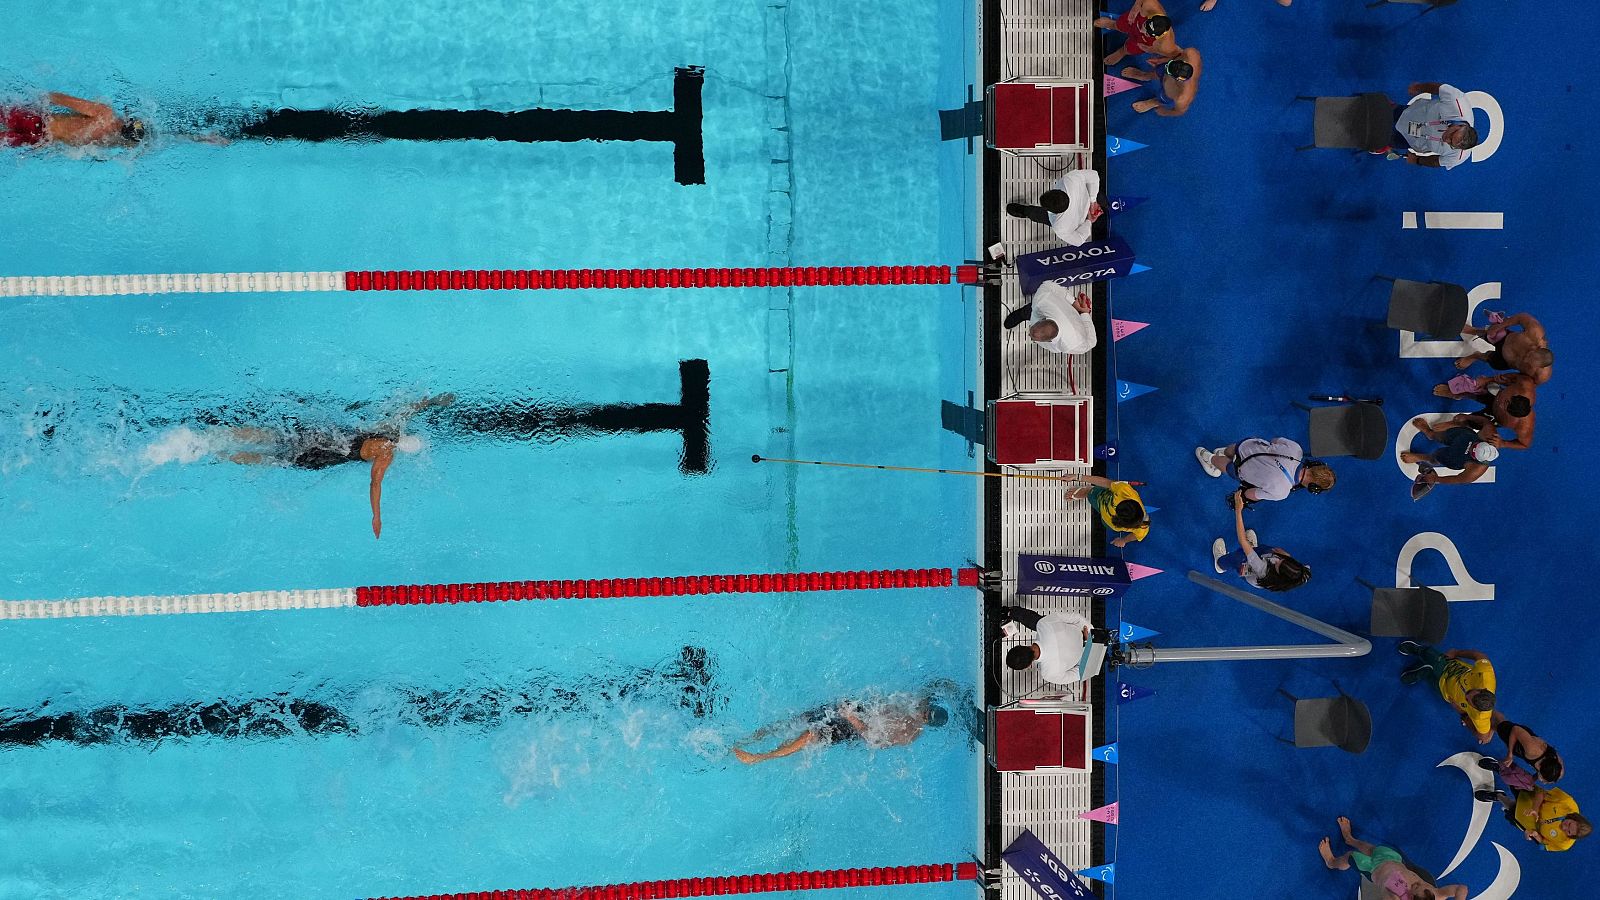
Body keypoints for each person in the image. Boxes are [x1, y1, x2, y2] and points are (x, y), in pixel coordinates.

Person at [223, 393, 455, 538]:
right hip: (326, 456)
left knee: (276, 437)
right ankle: (225, 456)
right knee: (275, 459)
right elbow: (375, 483)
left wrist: (434, 401)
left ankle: (218, 436)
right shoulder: (386, 453)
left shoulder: (390, 428)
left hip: (326, 437)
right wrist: (376, 516)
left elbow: (410, 408)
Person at [731, 695, 948, 764]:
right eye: (927, 710)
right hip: (857, 710)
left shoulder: (908, 734)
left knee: (810, 735)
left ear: (927, 723)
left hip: (853, 728)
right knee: (797, 721)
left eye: (926, 717)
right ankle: (751, 737)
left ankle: (759, 757)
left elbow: (873, 739)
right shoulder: (919, 703)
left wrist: (851, 717)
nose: (922, 713)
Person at [1319, 816, 1468, 900]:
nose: (1417, 883)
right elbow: (1461, 889)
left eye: (1414, 888)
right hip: (1392, 859)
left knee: (1350, 857)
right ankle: (1350, 839)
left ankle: (1331, 862)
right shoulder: (1436, 894)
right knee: (1372, 848)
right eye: (1422, 884)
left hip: (1372, 868)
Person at [1210, 492, 1312, 591]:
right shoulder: (1299, 572)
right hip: (1264, 558)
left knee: (1237, 558)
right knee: (1263, 549)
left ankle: (1220, 564)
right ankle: (1252, 550)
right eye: (1283, 559)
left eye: (1278, 564)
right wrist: (1287, 556)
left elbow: (1242, 541)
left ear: (1279, 574)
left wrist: (1238, 510)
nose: (1278, 559)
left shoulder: (1262, 569)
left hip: (1252, 568)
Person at [1398, 642, 1496, 744]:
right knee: (1430, 656)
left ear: (1475, 708)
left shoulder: (1480, 717)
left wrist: (1465, 717)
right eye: (1470, 692)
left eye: (1467, 700)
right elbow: (1479, 656)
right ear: (1482, 689)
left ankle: (1423, 672)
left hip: (1444, 689)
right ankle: (1418, 649)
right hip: (1452, 667)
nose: (1466, 694)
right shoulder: (1485, 675)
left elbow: (1484, 737)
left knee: (1427, 672)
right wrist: (1456, 652)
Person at [1195, 437, 1336, 505]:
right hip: (1241, 469)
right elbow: (1250, 494)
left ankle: (1222, 452)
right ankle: (1209, 458)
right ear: (1313, 487)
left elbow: (1275, 440)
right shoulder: (1281, 492)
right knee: (1229, 468)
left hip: (1247, 445)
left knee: (1236, 448)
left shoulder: (1296, 449)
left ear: (1316, 464)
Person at [1378, 83, 1479, 170]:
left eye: (1451, 144)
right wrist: (1418, 87)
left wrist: (1417, 160)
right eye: (1452, 135)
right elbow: (1439, 88)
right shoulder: (1458, 102)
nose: (1446, 140)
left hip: (1412, 140)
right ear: (1460, 125)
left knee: (1381, 139)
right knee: (1384, 111)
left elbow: (1436, 161)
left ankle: (1382, 144)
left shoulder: (1459, 156)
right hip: (1413, 113)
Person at [1001, 606, 1113, 685]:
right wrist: (1090, 634)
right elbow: (1077, 618)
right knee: (1038, 622)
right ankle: (1010, 611)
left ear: (1028, 665)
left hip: (1094, 653)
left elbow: (1082, 672)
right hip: (1091, 635)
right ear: (1021, 645)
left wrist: (1091, 646)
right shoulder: (1044, 624)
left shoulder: (1049, 674)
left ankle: (1011, 612)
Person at [2, 92, 146, 149]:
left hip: (37, 122)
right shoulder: (108, 142)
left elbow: (66, 101)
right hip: (41, 140)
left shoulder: (105, 114)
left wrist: (42, 97)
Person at [1433, 373, 1536, 450]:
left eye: (1505, 408)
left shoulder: (1524, 427)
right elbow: (1518, 376)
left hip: (1495, 417)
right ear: (1517, 395)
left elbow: (1524, 444)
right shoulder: (1525, 385)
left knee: (1484, 432)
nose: (1501, 404)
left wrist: (1502, 443)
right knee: (1478, 384)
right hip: (1495, 393)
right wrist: (1490, 379)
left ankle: (1459, 424)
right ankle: (1461, 394)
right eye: (1506, 401)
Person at [1474, 786, 1591, 853]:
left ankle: (1498, 796)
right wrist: (1534, 808)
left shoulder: (1564, 844)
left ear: (1572, 837)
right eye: (1569, 824)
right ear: (1574, 817)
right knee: (1513, 779)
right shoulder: (1567, 803)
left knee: (1511, 809)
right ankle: (1498, 767)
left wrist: (1535, 835)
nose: (1564, 828)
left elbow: (1544, 844)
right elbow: (1542, 793)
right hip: (1531, 798)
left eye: (1568, 832)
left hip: (1526, 821)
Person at [1005, 168, 1102, 246]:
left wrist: (1089, 221)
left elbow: (1079, 240)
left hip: (1082, 218)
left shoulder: (1059, 226)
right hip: (1089, 202)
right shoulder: (1070, 180)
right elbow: (1093, 176)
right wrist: (1093, 201)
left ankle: (1024, 211)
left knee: (1036, 214)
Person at [1456, 312, 1553, 385]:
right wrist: (1499, 326)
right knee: (1491, 334)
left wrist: (1490, 380)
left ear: (1539, 367)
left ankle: (1476, 356)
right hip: (1506, 339)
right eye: (1529, 354)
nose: (1525, 358)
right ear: (1537, 348)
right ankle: (1474, 331)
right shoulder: (1535, 333)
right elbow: (1521, 317)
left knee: (1489, 359)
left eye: (1528, 362)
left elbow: (1523, 382)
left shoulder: (1540, 376)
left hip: (1505, 361)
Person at [1003, 282, 1097, 355]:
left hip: (1075, 319)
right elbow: (1048, 285)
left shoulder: (1071, 343)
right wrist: (1073, 302)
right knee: (1030, 310)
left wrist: (1084, 314)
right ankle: (1022, 314)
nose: (1028, 334)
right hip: (1062, 308)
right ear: (1044, 319)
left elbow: (1091, 342)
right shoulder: (1043, 301)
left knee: (1033, 310)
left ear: (1049, 341)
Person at [1402, 416, 1499, 487]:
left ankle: (1421, 457)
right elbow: (1485, 421)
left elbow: (1457, 479)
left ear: (1478, 459)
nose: (1469, 449)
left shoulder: (1475, 471)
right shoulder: (1490, 434)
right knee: (1441, 435)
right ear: (1485, 443)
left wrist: (1436, 479)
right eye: (1474, 446)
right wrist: (1467, 417)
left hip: (1458, 458)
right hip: (1464, 437)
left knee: (1436, 457)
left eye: (1471, 452)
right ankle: (1430, 433)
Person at [1064, 475, 1148, 548]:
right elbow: (1106, 482)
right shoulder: (1125, 491)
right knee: (1090, 494)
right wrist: (1077, 477)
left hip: (1108, 522)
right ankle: (1088, 491)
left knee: (1104, 522)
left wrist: (1124, 540)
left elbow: (1137, 535)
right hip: (1102, 498)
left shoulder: (1143, 527)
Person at [1480, 713, 1564, 784]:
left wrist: (1532, 779)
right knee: (1499, 725)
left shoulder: (1557, 770)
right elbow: (1515, 730)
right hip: (1516, 736)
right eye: (1544, 780)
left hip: (1524, 742)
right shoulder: (1533, 750)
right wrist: (1510, 754)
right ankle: (1484, 711)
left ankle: (1492, 723)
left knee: (1500, 725)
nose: (1544, 783)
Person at [1095, 2, 1179, 67]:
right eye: (1145, 26)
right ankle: (1112, 24)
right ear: (1150, 18)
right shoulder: (1150, 5)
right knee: (1120, 24)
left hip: (1146, 42)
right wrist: (1135, 8)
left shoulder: (1166, 45)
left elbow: (1176, 54)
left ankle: (1122, 52)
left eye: (1147, 33)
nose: (1142, 31)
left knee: (1132, 48)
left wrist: (1159, 60)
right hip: (1137, 20)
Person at [1120, 50, 1201, 116]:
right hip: (1168, 68)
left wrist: (1166, 112)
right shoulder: (1191, 54)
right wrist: (1165, 60)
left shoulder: (1182, 98)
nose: (1166, 69)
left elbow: (1179, 111)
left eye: (1168, 70)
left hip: (1167, 92)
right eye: (1170, 65)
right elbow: (1179, 52)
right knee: (1159, 71)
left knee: (1162, 99)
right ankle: (1145, 76)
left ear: (1178, 79)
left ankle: (1153, 102)